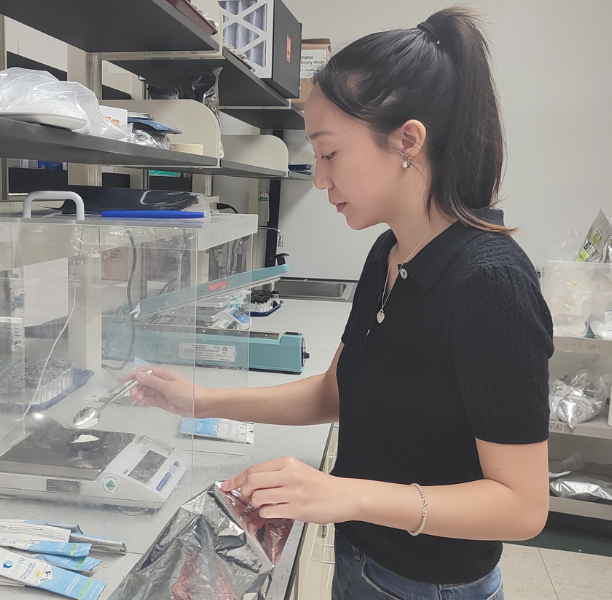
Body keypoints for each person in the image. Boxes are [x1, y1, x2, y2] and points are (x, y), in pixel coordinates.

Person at [121, 7, 553, 599]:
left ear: (407, 141)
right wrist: (201, 400)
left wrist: (340, 491)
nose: (319, 179)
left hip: (429, 586)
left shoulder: (491, 283)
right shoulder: (389, 252)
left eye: (329, 153)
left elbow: (522, 507)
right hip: (364, 559)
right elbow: (340, 389)